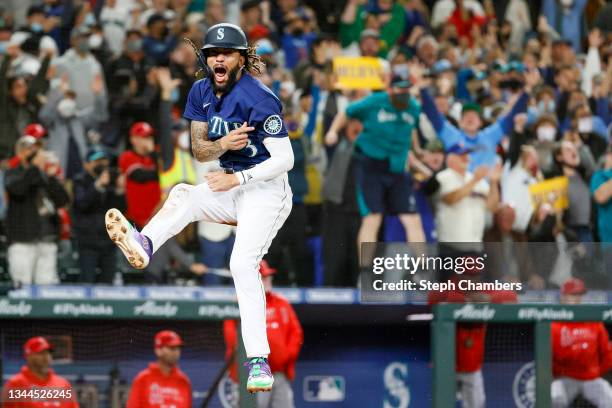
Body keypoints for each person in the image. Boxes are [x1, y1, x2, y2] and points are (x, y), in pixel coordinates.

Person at [105, 23, 293, 393]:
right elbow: (200, 150)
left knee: (241, 263)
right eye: (211, 53)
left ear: (241, 58)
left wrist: (238, 180)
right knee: (183, 194)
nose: (217, 58)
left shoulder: (260, 98)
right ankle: (145, 245)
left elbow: (285, 158)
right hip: (233, 185)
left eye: (226, 53)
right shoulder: (201, 90)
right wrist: (224, 144)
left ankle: (258, 361)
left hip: (267, 193)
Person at [325, 77, 425, 249]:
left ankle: (422, 269)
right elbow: (346, 112)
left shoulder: (414, 107)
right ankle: (365, 272)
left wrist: (417, 148)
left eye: (407, 90)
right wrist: (333, 131)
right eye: (400, 90)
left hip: (397, 168)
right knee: (373, 217)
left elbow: (412, 128)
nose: (404, 94)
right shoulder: (374, 101)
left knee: (412, 218)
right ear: (390, 90)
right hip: (371, 165)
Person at [224, 260, 304, 407]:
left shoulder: (281, 303)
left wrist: (286, 356)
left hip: (280, 372)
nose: (267, 280)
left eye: (268, 276)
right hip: (255, 373)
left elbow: (296, 333)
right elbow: (232, 340)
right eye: (263, 277)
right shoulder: (239, 305)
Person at [4, 136, 70, 285]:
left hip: (46, 239)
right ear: (20, 153)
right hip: (22, 240)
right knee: (22, 286)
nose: (36, 153)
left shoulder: (45, 176)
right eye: (30, 150)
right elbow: (18, 190)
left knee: (46, 287)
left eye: (37, 150)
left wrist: (51, 177)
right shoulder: (12, 174)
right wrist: (35, 168)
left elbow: (63, 200)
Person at [551, 278, 612, 407]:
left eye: (580, 295)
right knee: (554, 397)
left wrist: (596, 372)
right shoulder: (554, 323)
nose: (577, 299)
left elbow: (607, 353)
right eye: (573, 295)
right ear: (563, 297)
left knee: (609, 399)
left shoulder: (593, 321)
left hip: (590, 378)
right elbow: (548, 357)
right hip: (565, 378)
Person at [72, 146, 126, 283]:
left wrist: (120, 190)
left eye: (103, 161)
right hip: (88, 240)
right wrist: (98, 186)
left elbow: (120, 211)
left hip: (108, 240)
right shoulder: (80, 180)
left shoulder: (111, 181)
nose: (101, 165)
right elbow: (82, 204)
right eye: (97, 161)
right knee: (87, 281)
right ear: (87, 164)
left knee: (108, 282)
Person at [1, 337, 78, 407]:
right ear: (28, 356)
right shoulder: (15, 384)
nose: (46, 357)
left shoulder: (63, 384)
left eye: (48, 353)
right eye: (41, 353)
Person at [127, 330, 192, 408]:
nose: (176, 352)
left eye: (178, 348)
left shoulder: (184, 381)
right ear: (158, 350)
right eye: (171, 348)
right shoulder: (143, 379)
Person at [118, 121, 161, 229]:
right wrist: (159, 173)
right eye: (144, 137)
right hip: (135, 221)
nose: (148, 140)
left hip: (158, 217)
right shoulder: (127, 157)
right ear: (133, 139)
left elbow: (166, 174)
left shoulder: (157, 154)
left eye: (149, 137)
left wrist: (152, 153)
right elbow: (140, 176)